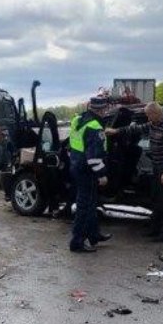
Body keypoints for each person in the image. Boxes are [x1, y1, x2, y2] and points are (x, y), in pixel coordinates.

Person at [105, 102, 163, 243]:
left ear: (155, 113)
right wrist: (116, 131)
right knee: (157, 199)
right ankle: (155, 229)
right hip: (157, 166)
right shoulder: (153, 124)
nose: (147, 118)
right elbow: (135, 129)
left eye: (147, 115)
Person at [68, 96, 113, 253]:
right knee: (85, 207)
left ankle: (94, 235)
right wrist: (102, 174)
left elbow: (75, 143)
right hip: (88, 171)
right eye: (105, 109)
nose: (106, 111)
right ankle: (77, 242)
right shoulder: (95, 127)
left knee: (91, 203)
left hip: (77, 166)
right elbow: (93, 157)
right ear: (101, 110)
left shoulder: (78, 119)